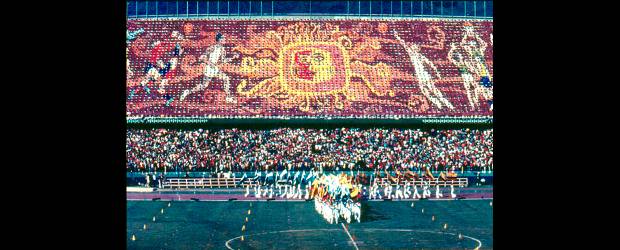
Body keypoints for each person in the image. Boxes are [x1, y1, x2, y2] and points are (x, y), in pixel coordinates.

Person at [393, 30, 454, 110]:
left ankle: (449, 106)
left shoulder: (421, 56)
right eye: (412, 45)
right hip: (421, 78)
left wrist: (437, 73)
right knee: (427, 93)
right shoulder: (412, 54)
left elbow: (431, 64)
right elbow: (404, 45)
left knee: (435, 92)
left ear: (417, 48)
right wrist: (397, 36)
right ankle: (441, 106)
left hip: (426, 77)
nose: (412, 46)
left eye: (414, 46)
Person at [180, 32, 239, 103]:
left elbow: (223, 61)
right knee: (204, 85)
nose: (224, 40)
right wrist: (210, 63)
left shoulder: (223, 50)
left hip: (215, 69)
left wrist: (232, 58)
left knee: (225, 78)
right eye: (223, 38)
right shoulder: (212, 47)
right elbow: (202, 57)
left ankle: (228, 97)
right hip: (209, 69)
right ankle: (187, 91)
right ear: (219, 40)